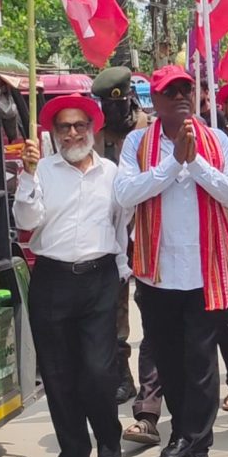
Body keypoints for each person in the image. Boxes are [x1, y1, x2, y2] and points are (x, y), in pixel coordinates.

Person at [115, 65, 228, 457]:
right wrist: (174, 163)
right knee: (170, 365)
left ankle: (198, 453)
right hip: (156, 275)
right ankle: (185, 433)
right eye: (171, 92)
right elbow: (126, 195)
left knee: (202, 366)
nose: (182, 97)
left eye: (187, 89)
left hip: (205, 273)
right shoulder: (137, 142)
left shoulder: (217, 139)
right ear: (155, 102)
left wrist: (197, 163)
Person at [13, 94, 127, 457]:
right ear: (54, 133)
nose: (73, 133)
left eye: (80, 125)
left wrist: (124, 270)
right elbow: (26, 220)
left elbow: (121, 224)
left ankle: (109, 437)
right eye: (65, 127)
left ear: (93, 130)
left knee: (98, 372)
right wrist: (26, 178)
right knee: (60, 379)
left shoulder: (112, 173)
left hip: (99, 279)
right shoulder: (40, 170)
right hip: (52, 280)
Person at [91, 66, 148, 405]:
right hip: (113, 235)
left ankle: (160, 380)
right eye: (107, 107)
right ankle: (123, 377)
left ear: (130, 99)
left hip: (148, 230)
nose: (114, 113)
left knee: (156, 310)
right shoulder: (95, 135)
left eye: (120, 105)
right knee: (115, 312)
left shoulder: (150, 129)